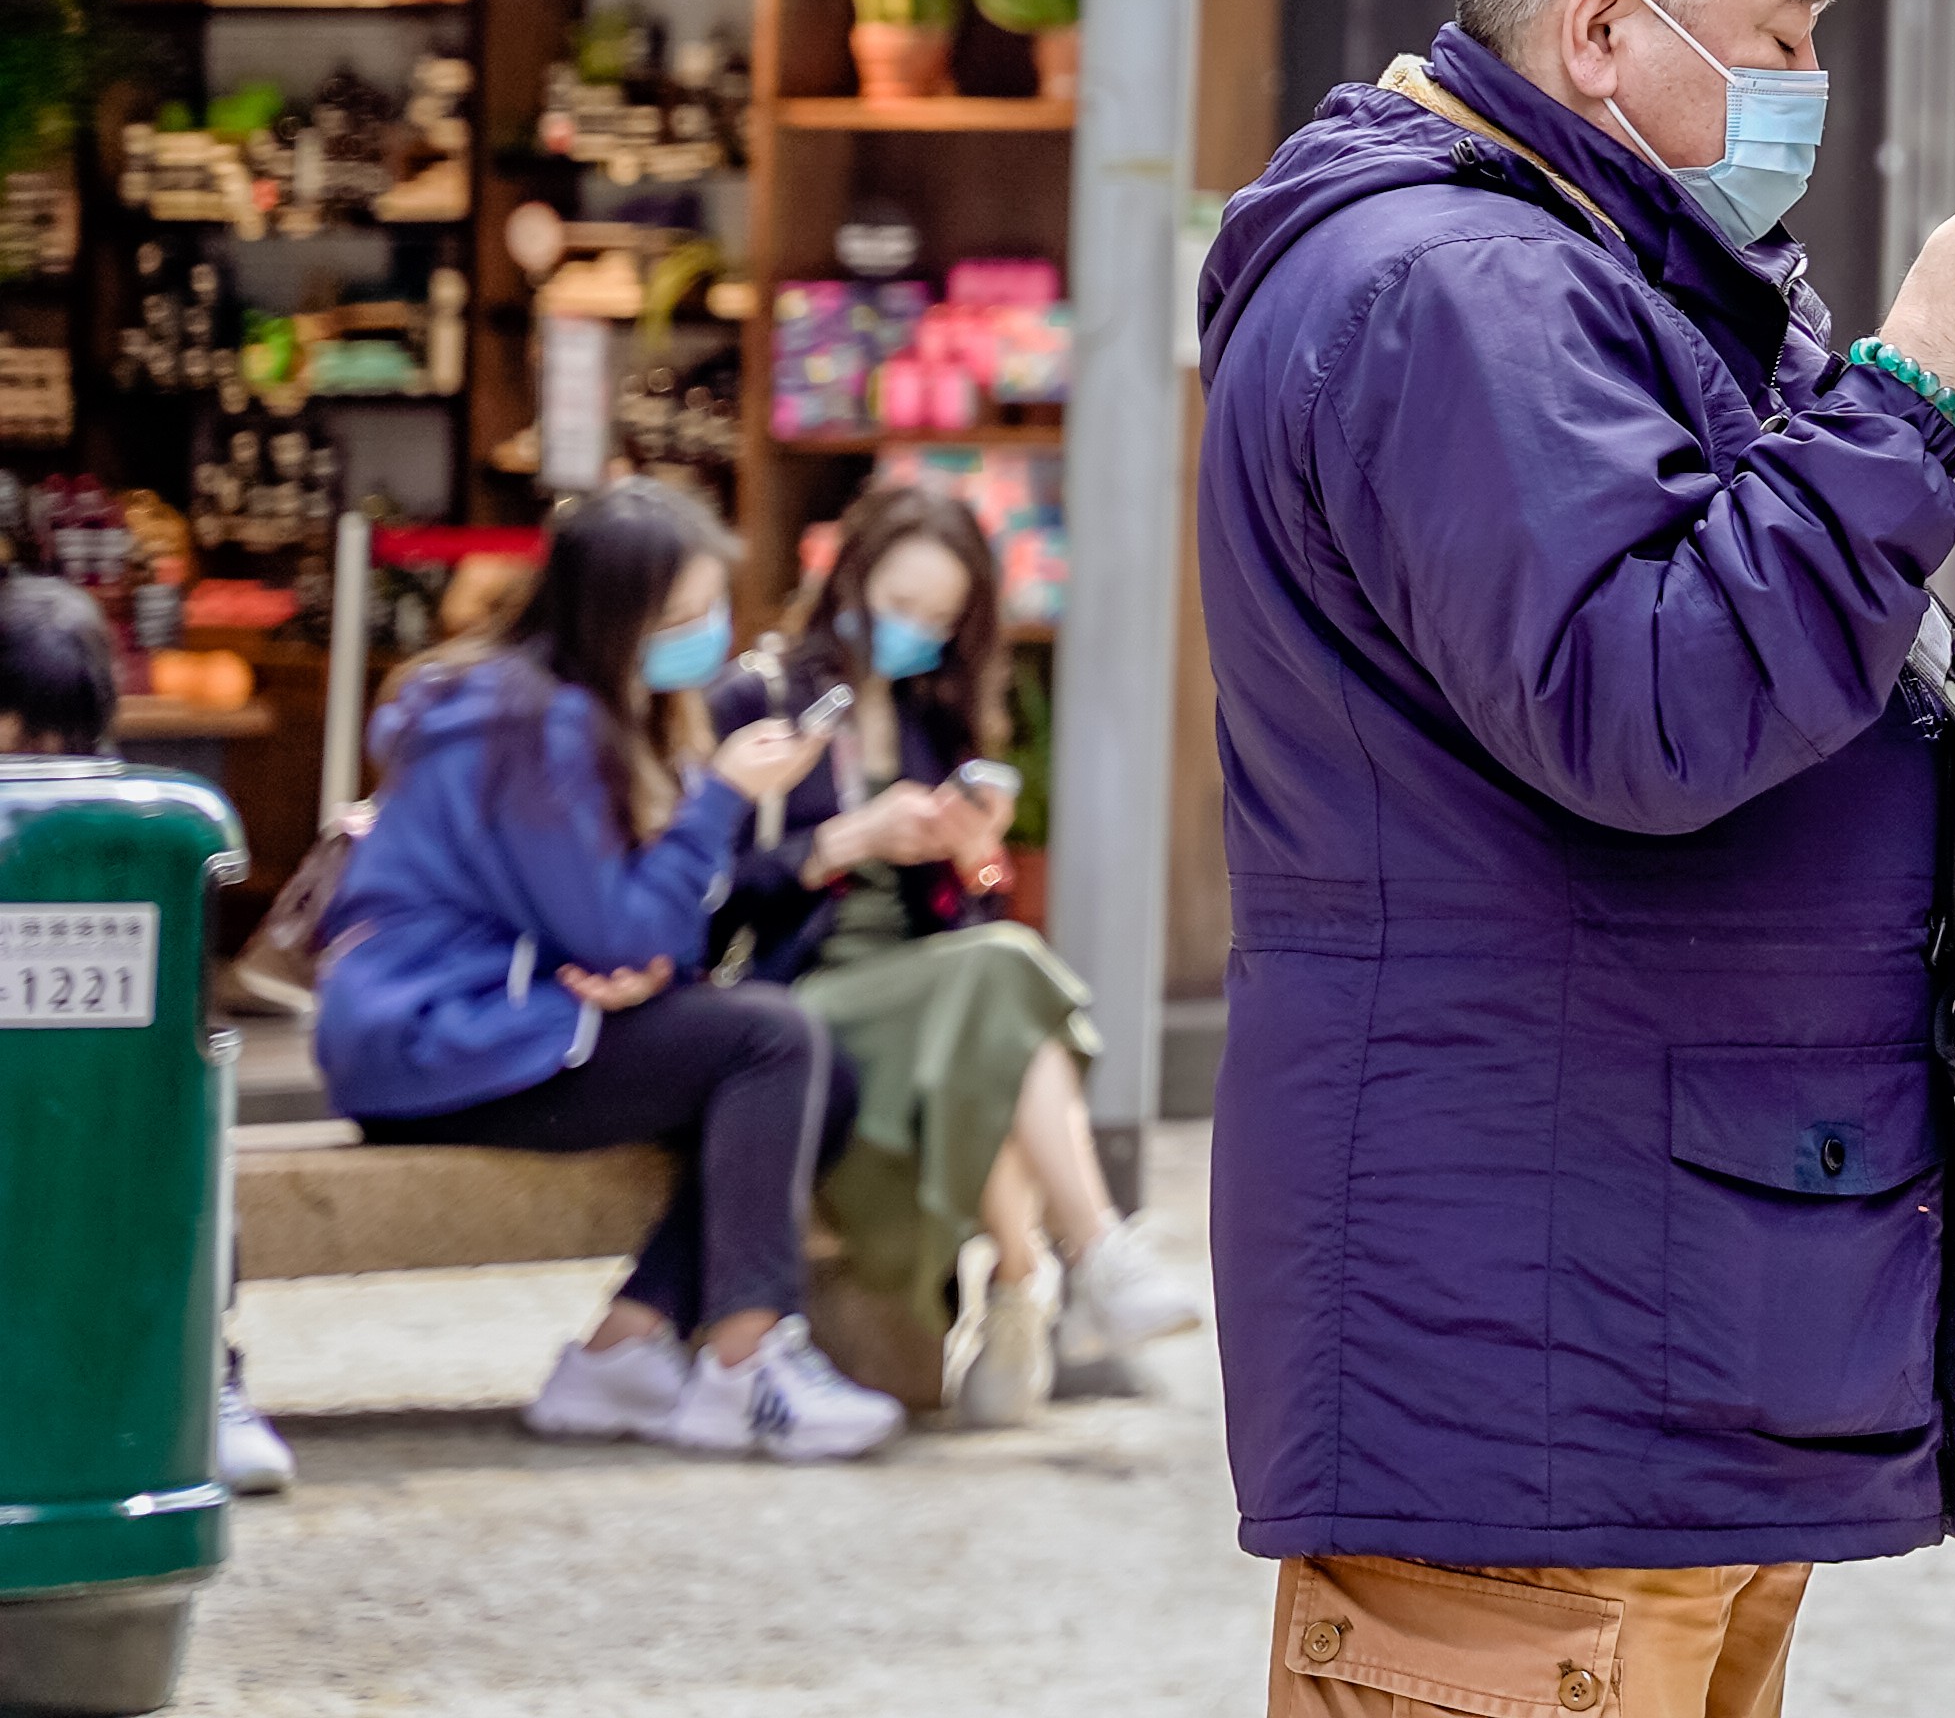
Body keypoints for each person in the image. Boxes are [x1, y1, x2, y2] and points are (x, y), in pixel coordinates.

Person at [1197, 0, 1955, 1718]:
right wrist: (1918, 397)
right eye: (1786, 21)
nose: (1810, 70)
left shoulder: (1600, 271)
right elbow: (1645, 702)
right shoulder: (1457, 289)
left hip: (1649, 1318)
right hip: (1538, 1353)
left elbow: (1700, 618)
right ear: (1606, 23)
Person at [312, 479, 893, 1461]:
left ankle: (628, 1346)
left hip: (478, 1026)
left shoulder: (545, 705)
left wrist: (640, 964)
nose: (705, 635)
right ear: (617, 615)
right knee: (773, 1038)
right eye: (681, 616)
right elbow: (624, 931)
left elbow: (623, 935)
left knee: (814, 1071)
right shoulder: (530, 723)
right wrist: (718, 800)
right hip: (440, 1042)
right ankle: (746, 1364)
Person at [710, 479, 1199, 1422]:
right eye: (899, 606)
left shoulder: (937, 716)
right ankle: (1081, 1257)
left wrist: (971, 855)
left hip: (932, 989)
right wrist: (844, 841)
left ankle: (1029, 1281)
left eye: (938, 618)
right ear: (848, 578)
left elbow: (968, 922)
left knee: (999, 998)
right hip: (799, 994)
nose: (915, 632)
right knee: (1007, 985)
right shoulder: (760, 696)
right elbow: (703, 883)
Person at [4, 574, 293, 1496]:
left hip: (105, 1097)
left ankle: (209, 1378)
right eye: (13, 730)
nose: (30, 757)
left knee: (184, 1154)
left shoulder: (137, 833)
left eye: (53, 737)